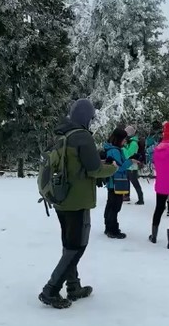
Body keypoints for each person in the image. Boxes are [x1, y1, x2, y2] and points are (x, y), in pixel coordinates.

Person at [39, 99, 118, 309]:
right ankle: (51, 289)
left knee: (68, 244)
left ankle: (74, 286)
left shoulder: (62, 135)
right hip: (78, 200)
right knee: (77, 246)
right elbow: (94, 170)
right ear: (86, 117)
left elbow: (75, 164)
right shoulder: (82, 137)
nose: (92, 121)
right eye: (91, 117)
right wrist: (113, 168)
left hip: (60, 197)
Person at [103, 128, 139, 239]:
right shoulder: (115, 151)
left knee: (110, 205)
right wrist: (130, 161)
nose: (125, 141)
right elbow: (118, 167)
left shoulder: (113, 149)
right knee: (115, 206)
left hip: (112, 182)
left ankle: (109, 227)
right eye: (123, 139)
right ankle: (112, 229)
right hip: (116, 182)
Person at [122, 125, 144, 205]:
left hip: (132, 167)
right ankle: (126, 196)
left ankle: (141, 199)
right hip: (129, 166)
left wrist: (123, 148)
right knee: (127, 181)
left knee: (135, 183)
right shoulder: (130, 142)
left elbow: (129, 154)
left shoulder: (133, 143)